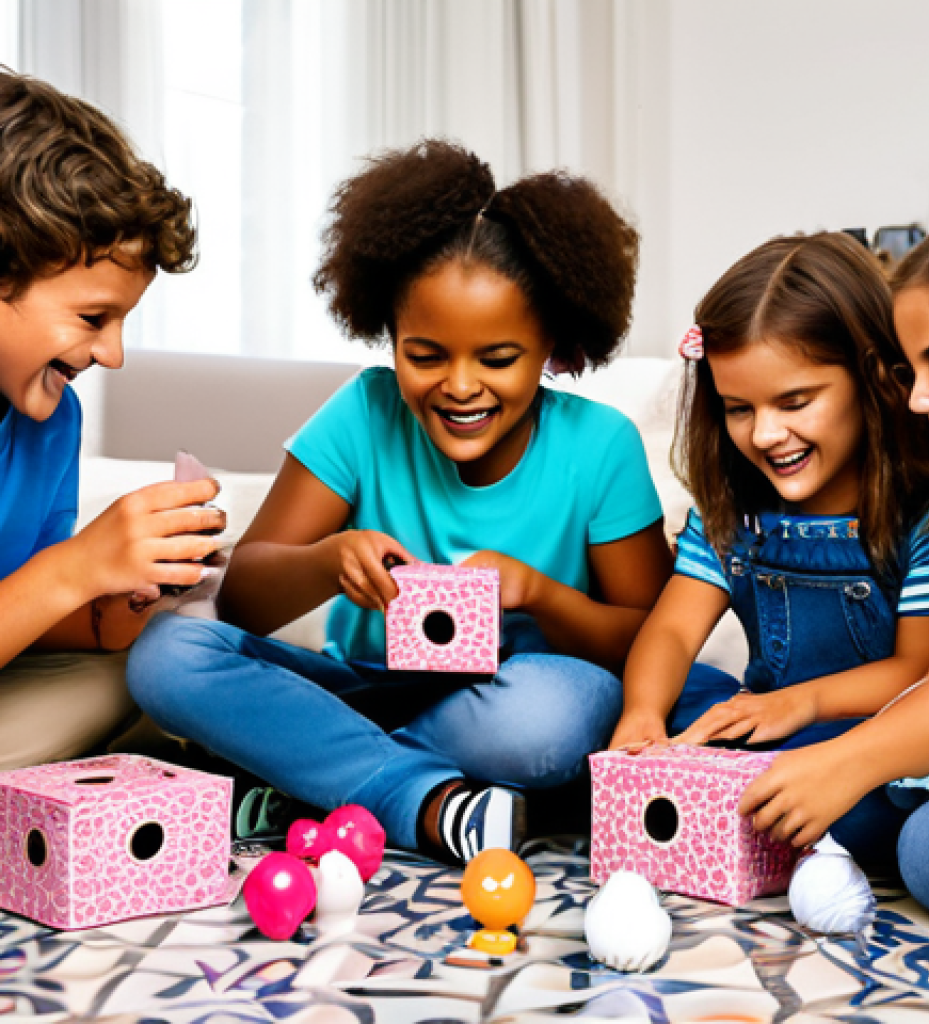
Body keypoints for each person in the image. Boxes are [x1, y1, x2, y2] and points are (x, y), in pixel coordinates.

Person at [127, 140, 673, 864]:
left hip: (505, 702)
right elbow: (243, 605)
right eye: (425, 355)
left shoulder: (600, 445)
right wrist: (328, 562)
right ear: (389, 337)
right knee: (167, 654)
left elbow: (652, 640)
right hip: (363, 690)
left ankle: (304, 782)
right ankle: (416, 798)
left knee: (553, 714)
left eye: (498, 359)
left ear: (552, 346)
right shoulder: (362, 413)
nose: (460, 385)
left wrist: (540, 594)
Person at [608, 232, 929, 870]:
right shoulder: (733, 518)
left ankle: (740, 807)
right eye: (739, 408)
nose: (767, 433)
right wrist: (643, 718)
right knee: (678, 699)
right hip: (764, 723)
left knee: (878, 796)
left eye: (795, 402)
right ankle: (732, 802)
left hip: (866, 737)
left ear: (874, 379)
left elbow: (921, 671)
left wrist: (798, 703)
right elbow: (670, 631)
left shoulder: (928, 517)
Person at [739, 196, 929, 929]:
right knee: (855, 802)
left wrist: (854, 760)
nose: (922, 397)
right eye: (912, 368)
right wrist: (835, 762)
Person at [0, 69, 224, 770]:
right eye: (93, 318)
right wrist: (75, 567)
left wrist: (119, 598)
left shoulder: (50, 422)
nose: (114, 354)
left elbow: (28, 612)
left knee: (151, 669)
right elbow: (46, 581)